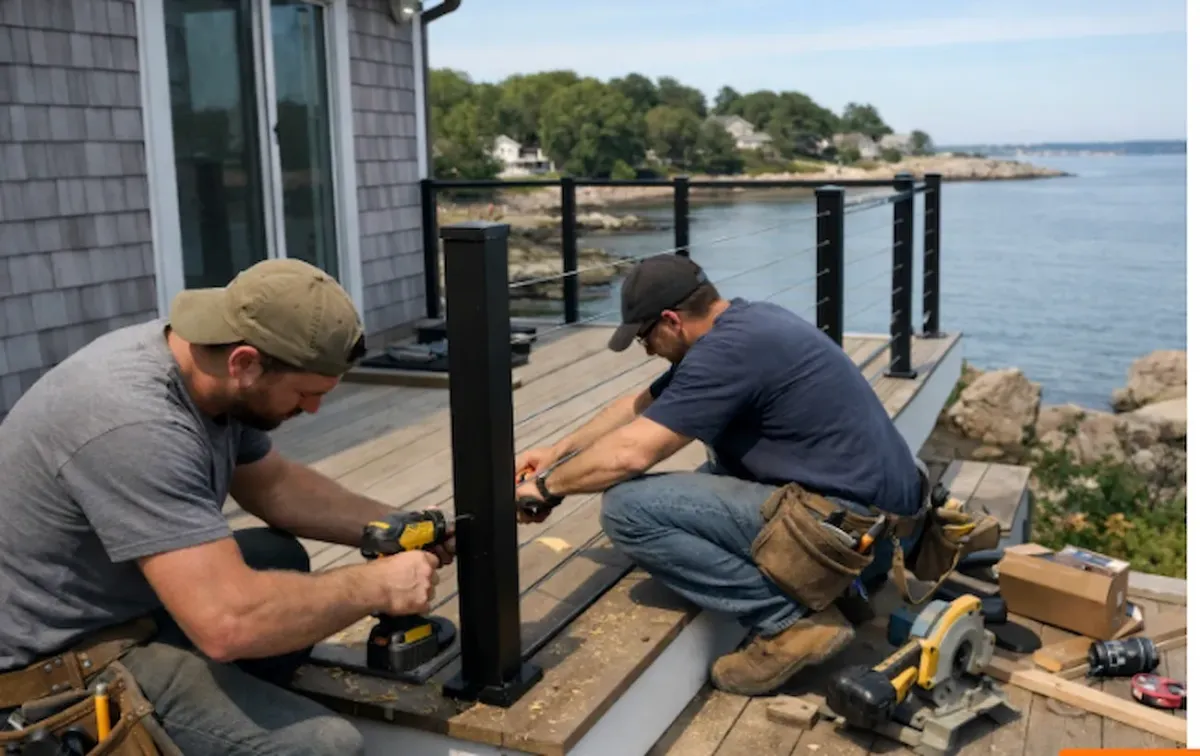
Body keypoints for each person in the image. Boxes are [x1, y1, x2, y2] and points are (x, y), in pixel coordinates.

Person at [0, 259, 455, 755]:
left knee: (278, 558)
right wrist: (378, 586)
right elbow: (228, 623)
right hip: (56, 662)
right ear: (245, 362)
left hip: (116, 599)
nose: (314, 410)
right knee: (326, 746)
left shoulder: (204, 365)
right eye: (305, 393)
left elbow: (277, 487)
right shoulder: (134, 424)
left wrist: (399, 528)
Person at [513, 254, 926, 697]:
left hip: (853, 538)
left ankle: (791, 624)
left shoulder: (726, 354)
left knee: (628, 509)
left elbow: (630, 456)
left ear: (671, 320)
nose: (647, 350)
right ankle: (824, 592)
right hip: (882, 524)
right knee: (709, 473)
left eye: (645, 337)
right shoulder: (748, 324)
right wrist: (555, 453)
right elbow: (638, 407)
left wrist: (546, 489)